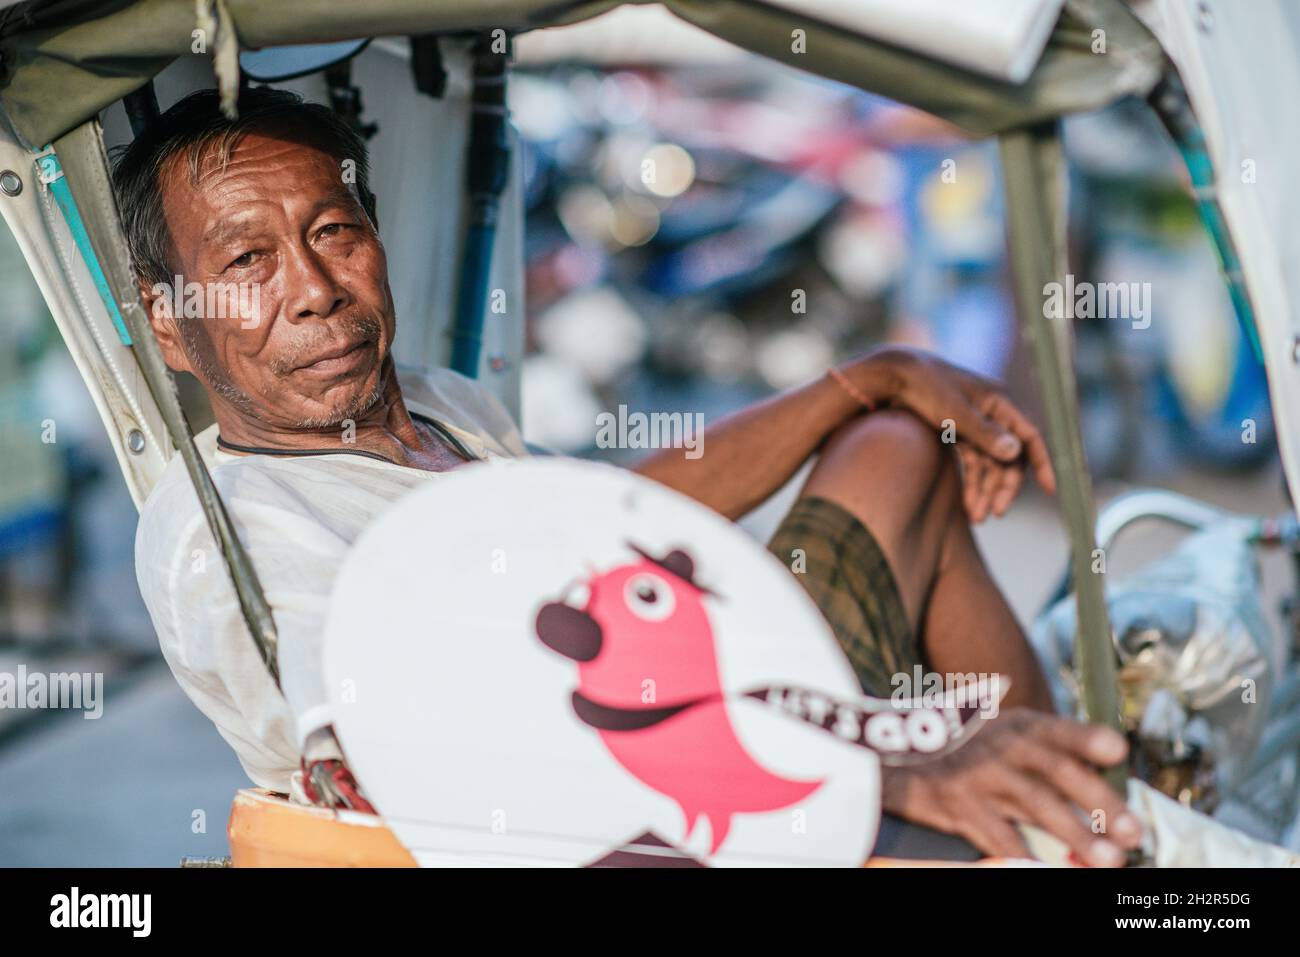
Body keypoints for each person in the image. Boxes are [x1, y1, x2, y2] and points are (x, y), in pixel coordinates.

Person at [120, 88, 1141, 866]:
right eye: (246, 264)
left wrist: (857, 382)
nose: (312, 291)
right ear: (170, 322)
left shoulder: (437, 406)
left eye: (333, 233)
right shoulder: (230, 530)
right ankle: (1044, 816)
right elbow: (426, 749)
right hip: (595, 825)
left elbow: (617, 521)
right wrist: (890, 764)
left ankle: (1058, 791)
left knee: (895, 440)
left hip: (681, 714)